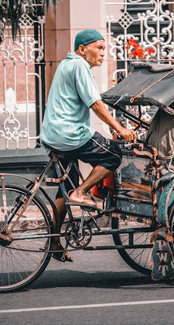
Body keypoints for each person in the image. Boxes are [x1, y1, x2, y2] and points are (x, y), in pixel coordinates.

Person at [40, 29, 136, 260]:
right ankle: (82, 193)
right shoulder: (79, 66)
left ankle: (54, 242)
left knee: (67, 183)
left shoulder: (65, 65)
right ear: (83, 49)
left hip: (52, 135)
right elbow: (96, 104)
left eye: (105, 48)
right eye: (99, 47)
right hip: (70, 134)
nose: (104, 53)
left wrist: (113, 127)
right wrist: (121, 129)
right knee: (112, 156)